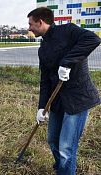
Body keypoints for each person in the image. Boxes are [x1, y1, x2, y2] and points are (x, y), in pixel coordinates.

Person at [27, 7, 101, 175]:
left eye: (31, 24)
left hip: (78, 99)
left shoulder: (68, 30)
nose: (29, 28)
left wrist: (67, 62)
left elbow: (93, 39)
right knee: (53, 141)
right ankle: (64, 168)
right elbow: (45, 81)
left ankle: (66, 170)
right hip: (58, 100)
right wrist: (41, 107)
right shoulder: (43, 48)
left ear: (41, 22)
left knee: (66, 147)